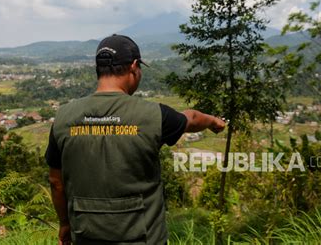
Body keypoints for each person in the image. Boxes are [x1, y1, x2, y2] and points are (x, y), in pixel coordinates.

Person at [45, 34, 225, 245]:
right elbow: (192, 118)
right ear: (133, 66)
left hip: (85, 235)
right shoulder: (154, 116)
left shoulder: (63, 117)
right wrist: (214, 121)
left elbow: (56, 182)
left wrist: (65, 224)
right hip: (144, 238)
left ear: (99, 69)